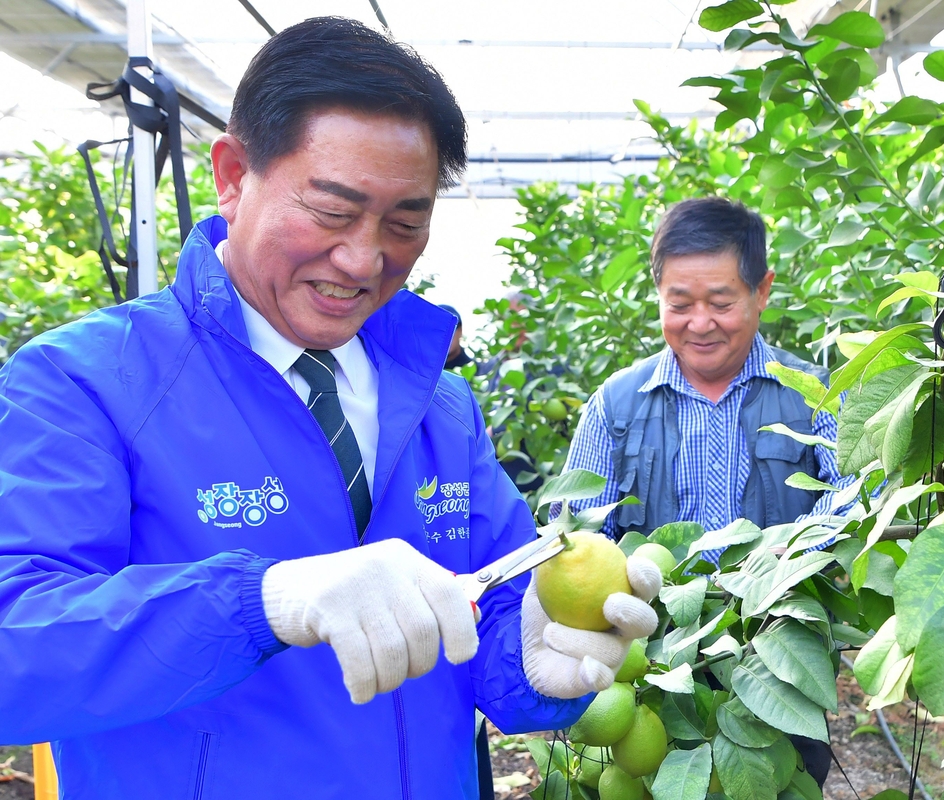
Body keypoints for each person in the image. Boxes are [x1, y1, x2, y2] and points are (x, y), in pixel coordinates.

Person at [0, 18, 660, 800]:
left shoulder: (440, 406)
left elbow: (491, 620)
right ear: (234, 174)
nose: (362, 259)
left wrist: (545, 652)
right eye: (332, 211)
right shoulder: (84, 385)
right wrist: (268, 600)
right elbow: (18, 654)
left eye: (404, 224)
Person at [562, 196, 856, 786]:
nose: (700, 323)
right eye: (680, 304)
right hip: (653, 675)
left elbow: (851, 494)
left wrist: (792, 554)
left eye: (720, 302)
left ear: (762, 291)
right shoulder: (616, 406)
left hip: (780, 666)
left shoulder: (816, 396)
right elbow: (576, 535)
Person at [439, 303, 474, 369]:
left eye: (449, 329)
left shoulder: (478, 373)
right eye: (438, 330)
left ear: (460, 330)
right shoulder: (420, 371)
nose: (444, 336)